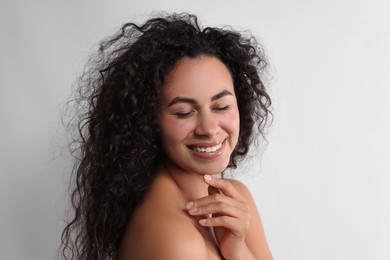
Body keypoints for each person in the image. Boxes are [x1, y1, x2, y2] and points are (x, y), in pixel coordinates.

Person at [61, 12, 273, 260]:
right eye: (184, 112)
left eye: (221, 106)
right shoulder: (175, 239)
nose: (209, 128)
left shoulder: (235, 200)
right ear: (148, 121)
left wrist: (236, 248)